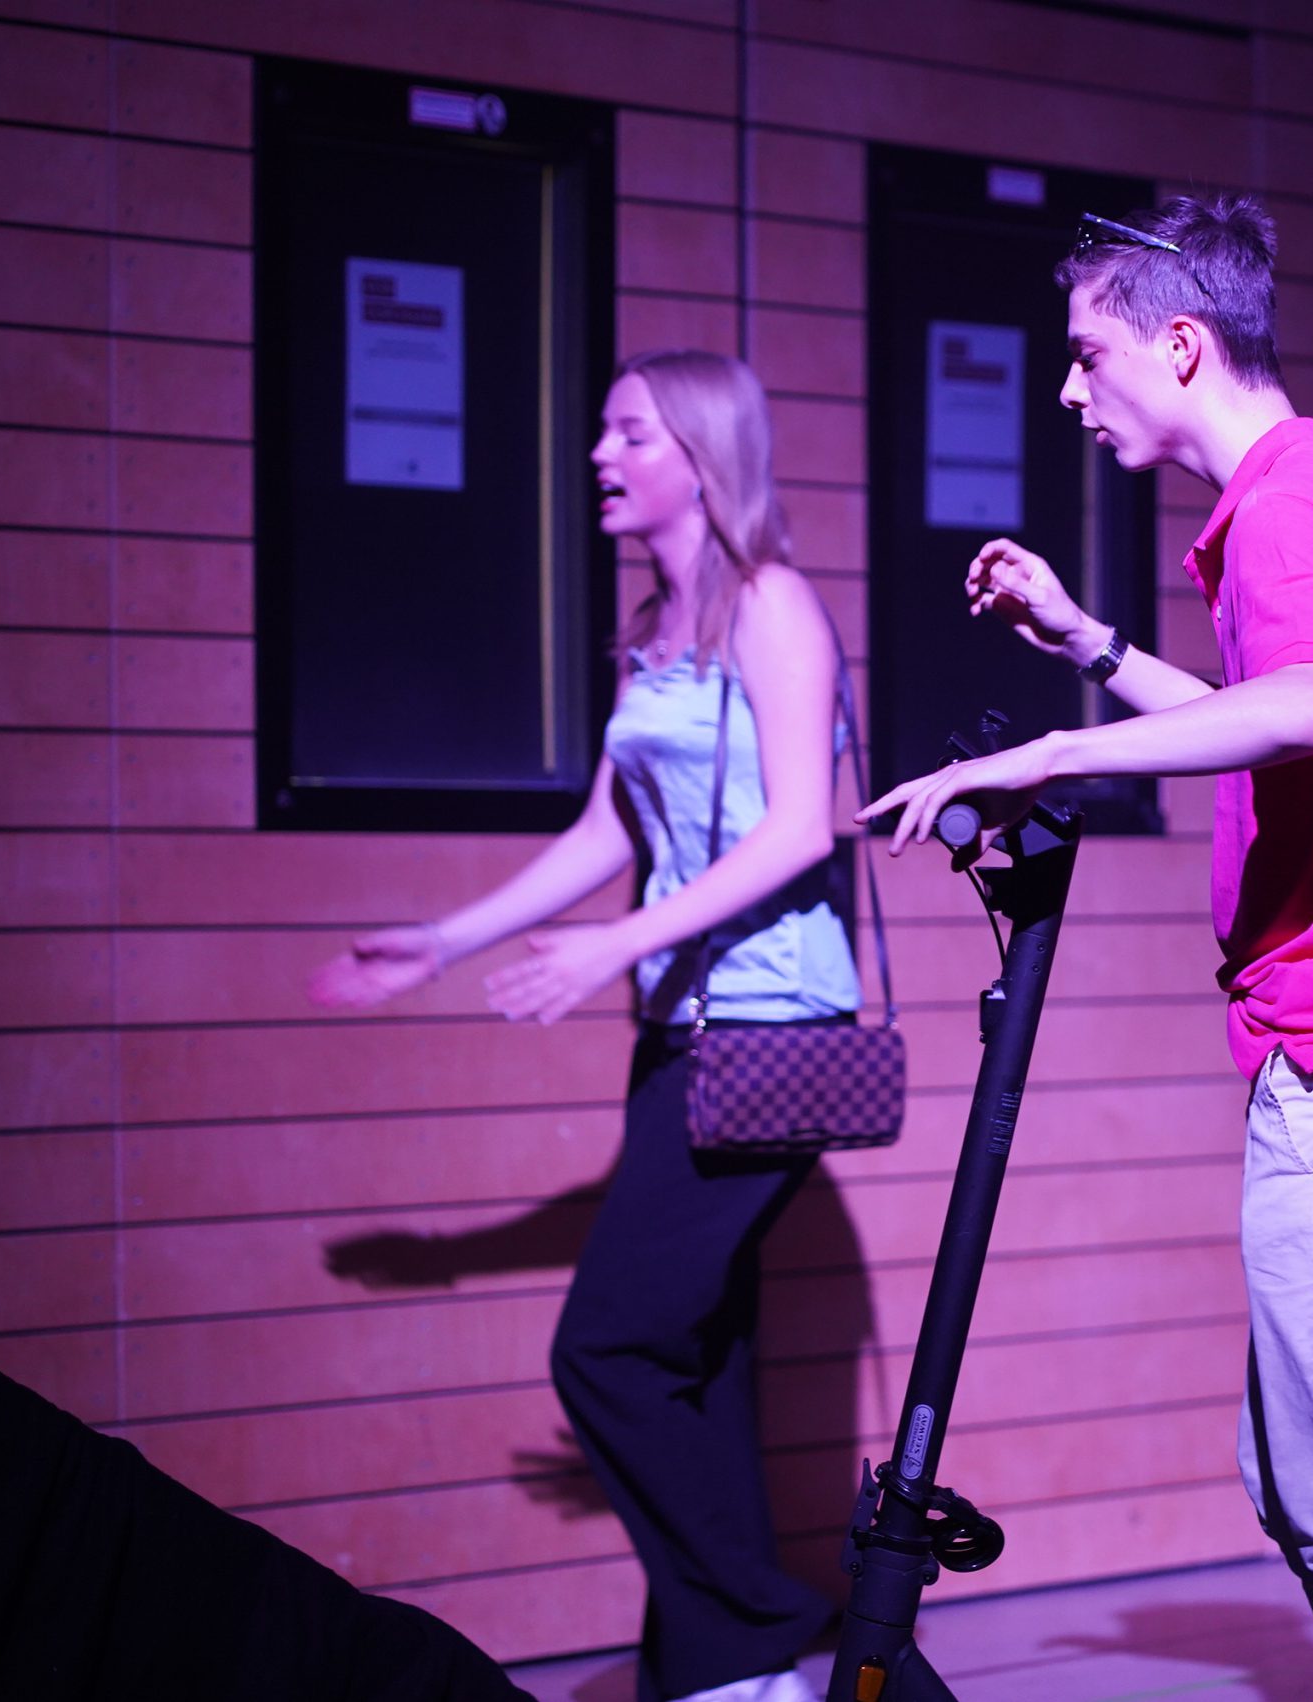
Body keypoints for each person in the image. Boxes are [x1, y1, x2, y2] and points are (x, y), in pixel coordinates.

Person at [861, 196, 1313, 1700]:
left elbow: (1306, 708)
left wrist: (1045, 753)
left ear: (1178, 345)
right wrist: (1089, 645)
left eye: (1086, 358)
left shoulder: (1286, 507)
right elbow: (1280, 711)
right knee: (1301, 1486)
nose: (1066, 391)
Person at [311, 350, 851, 1702]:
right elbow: (607, 828)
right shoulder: (660, 622)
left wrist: (619, 940)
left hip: (774, 1025)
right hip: (682, 1023)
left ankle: (760, 1637)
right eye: (604, 433)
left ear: (702, 458)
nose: (601, 456)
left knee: (604, 1349)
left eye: (629, 434)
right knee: (697, 1356)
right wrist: (445, 942)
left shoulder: (773, 604)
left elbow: (803, 826)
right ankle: (727, 1676)